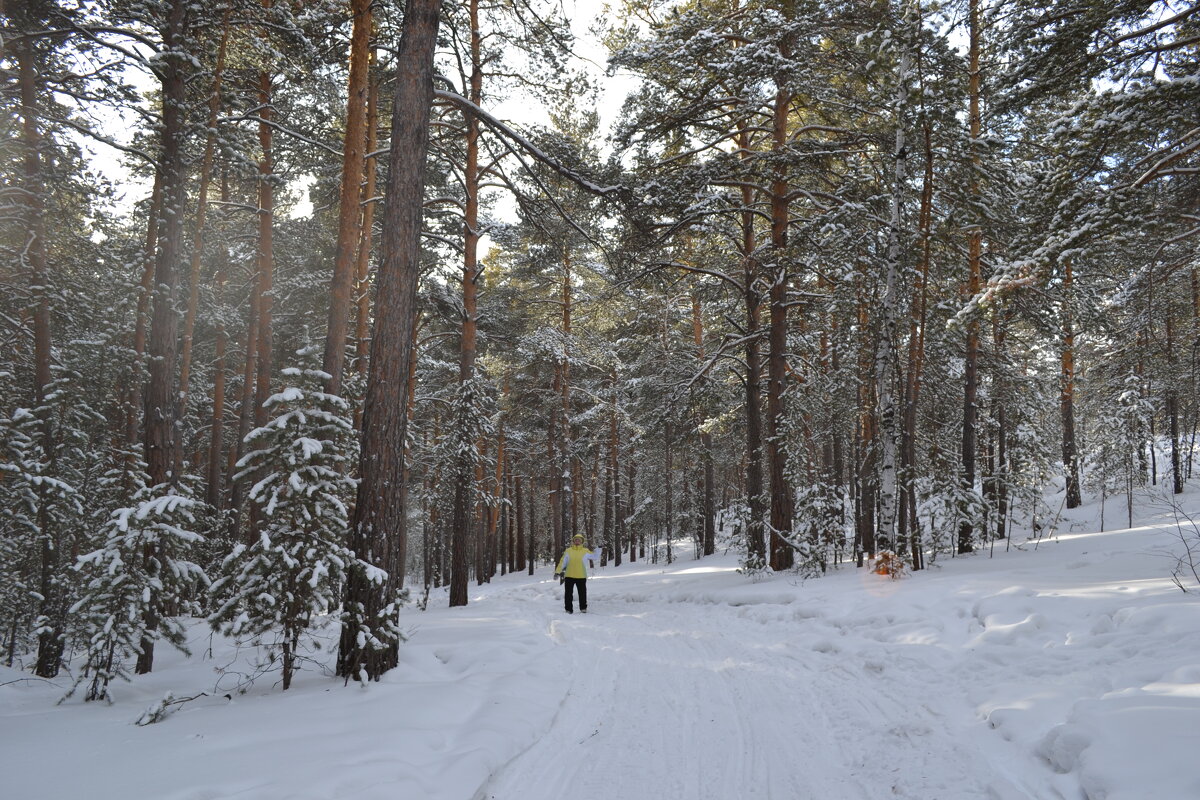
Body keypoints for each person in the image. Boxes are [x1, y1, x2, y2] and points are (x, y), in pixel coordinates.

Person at [555, 534, 596, 614]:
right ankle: (568, 609)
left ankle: (583, 608)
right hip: (569, 576)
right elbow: (562, 562)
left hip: (581, 576)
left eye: (579, 540)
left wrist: (599, 549)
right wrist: (557, 572)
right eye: (576, 540)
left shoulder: (585, 551)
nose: (577, 541)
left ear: (582, 541)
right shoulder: (568, 551)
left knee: (582, 593)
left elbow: (595, 556)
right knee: (568, 594)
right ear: (573, 541)